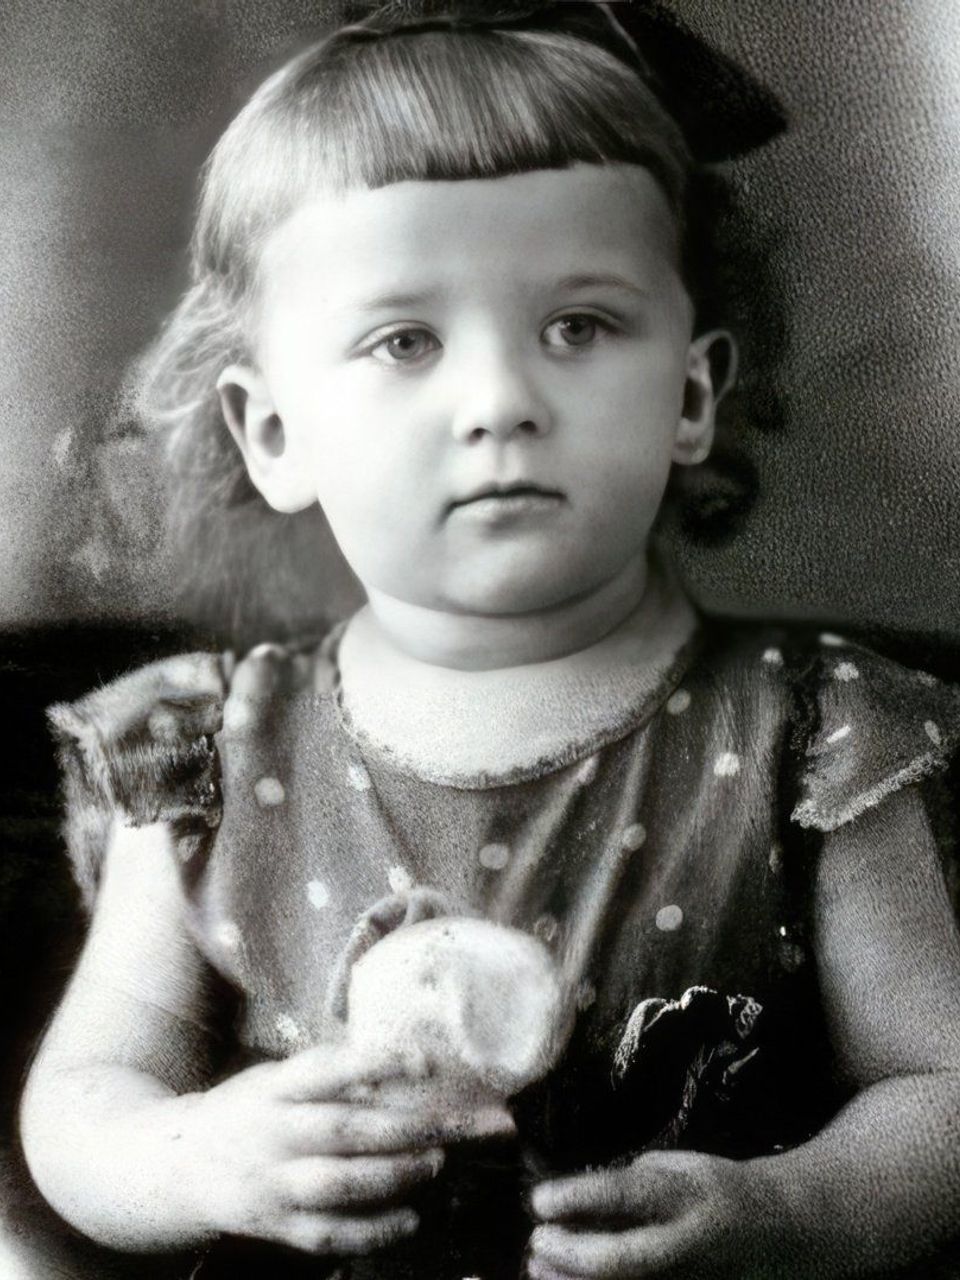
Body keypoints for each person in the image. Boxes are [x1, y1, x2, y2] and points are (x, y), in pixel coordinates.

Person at [19, 3, 960, 1277]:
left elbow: (940, 1091)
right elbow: (84, 1099)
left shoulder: (813, 733)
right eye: (405, 339)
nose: (502, 400)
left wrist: (790, 1212)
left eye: (578, 326)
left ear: (691, 392)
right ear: (274, 432)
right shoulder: (205, 752)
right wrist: (194, 1155)